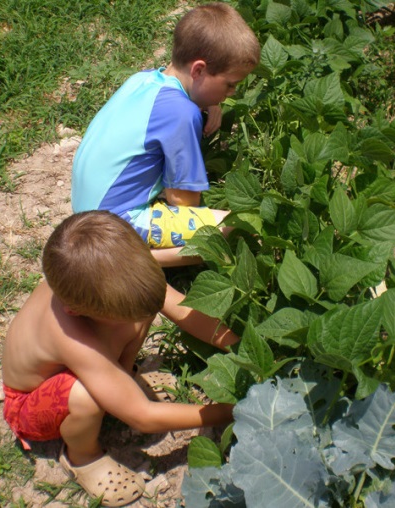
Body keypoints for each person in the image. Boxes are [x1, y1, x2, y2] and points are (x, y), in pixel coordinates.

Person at [2, 211, 234, 507]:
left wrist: (239, 346)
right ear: (75, 309)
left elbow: (184, 309)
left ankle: (119, 381)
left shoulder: (111, 275)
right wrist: (228, 411)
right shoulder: (69, 336)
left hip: (86, 361)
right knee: (85, 395)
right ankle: (82, 456)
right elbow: (142, 416)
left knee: (141, 309)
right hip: (30, 402)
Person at [71, 2, 260, 351]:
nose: (232, 94)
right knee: (239, 226)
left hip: (84, 214)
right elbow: (183, 202)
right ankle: (139, 260)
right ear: (200, 70)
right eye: (231, 86)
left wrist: (209, 102)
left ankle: (132, 257)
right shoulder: (182, 114)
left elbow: (182, 101)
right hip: (114, 227)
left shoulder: (143, 80)